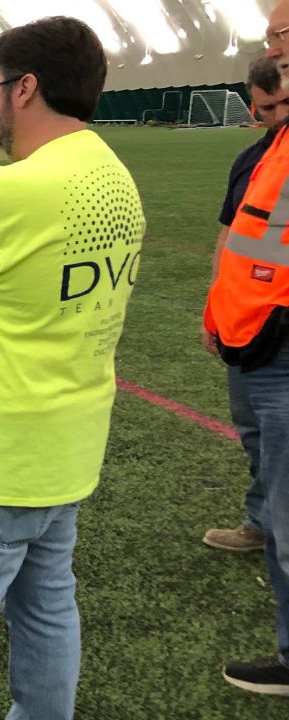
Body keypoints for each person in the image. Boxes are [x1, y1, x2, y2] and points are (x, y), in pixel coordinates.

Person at [0, 17, 143, 718]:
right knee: (46, 611)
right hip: (66, 453)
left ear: (26, 88)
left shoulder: (4, 189)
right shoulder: (115, 176)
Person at [205, 0, 289, 695]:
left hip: (279, 346)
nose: (273, 43)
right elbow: (240, 240)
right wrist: (221, 309)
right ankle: (261, 523)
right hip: (251, 339)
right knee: (264, 458)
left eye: (283, 32)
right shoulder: (264, 154)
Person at [201, 57, 289, 554]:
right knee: (255, 432)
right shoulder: (250, 162)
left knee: (280, 441)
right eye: (266, 108)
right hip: (244, 326)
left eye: (285, 105)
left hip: (281, 331)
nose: (277, 116)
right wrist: (214, 309)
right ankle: (260, 523)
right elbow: (230, 238)